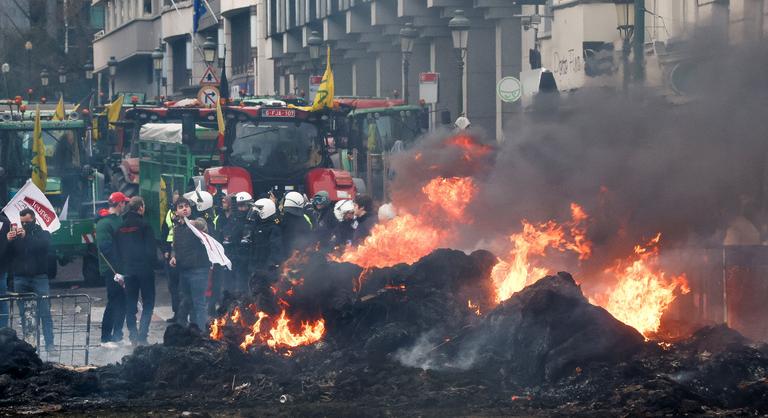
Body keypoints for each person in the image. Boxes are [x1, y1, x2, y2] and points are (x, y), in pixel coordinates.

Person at [8, 209, 55, 350]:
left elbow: (43, 246)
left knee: (45, 312)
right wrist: (7, 240)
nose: (24, 225)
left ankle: (49, 344)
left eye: (27, 222)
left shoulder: (43, 233)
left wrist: (26, 236)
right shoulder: (16, 236)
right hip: (20, 278)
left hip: (39, 277)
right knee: (24, 315)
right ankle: (29, 345)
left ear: (34, 220)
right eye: (22, 223)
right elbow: (8, 255)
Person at [114, 196, 156, 346]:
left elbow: (117, 251)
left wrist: (123, 268)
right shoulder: (145, 226)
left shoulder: (120, 228)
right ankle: (142, 336)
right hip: (144, 270)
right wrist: (152, 265)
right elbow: (151, 251)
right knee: (148, 303)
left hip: (128, 271)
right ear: (140, 208)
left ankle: (133, 335)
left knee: (130, 304)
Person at [169, 197, 211, 330]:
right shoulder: (177, 228)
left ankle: (203, 333)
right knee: (187, 301)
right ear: (176, 211)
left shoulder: (197, 221)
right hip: (184, 270)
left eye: (186, 206)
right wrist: (173, 257)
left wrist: (193, 223)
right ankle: (192, 331)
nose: (185, 209)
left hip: (199, 270)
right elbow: (175, 246)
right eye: (181, 207)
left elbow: (203, 226)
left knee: (199, 303)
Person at [95, 192, 129, 347]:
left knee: (122, 302)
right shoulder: (104, 224)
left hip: (121, 268)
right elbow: (105, 249)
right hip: (111, 270)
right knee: (114, 302)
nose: (125, 206)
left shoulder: (117, 219)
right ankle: (105, 338)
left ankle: (118, 335)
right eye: (124, 203)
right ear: (120, 204)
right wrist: (117, 270)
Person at [250, 198, 284, 306]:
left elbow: (276, 247)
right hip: (257, 265)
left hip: (268, 268)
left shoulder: (273, 228)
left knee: (268, 293)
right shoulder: (257, 226)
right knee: (255, 292)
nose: (256, 212)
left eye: (259, 209)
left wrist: (272, 263)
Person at [220, 192, 253, 295]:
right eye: (239, 206)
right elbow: (226, 238)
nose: (242, 209)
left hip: (249, 260)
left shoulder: (253, 221)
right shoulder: (231, 220)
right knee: (232, 287)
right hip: (234, 258)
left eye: (244, 206)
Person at [0, 211, 11, 329]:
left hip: (1, 269)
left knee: (2, 300)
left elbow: (7, 246)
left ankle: (2, 330)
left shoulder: (5, 222)